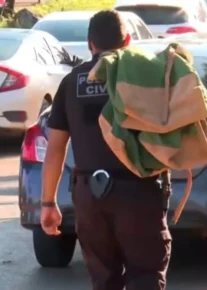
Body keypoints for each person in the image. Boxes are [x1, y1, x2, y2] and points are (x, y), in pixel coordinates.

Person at [39, 10, 171, 290]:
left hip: (90, 197)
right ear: (127, 41)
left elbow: (55, 149)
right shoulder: (144, 78)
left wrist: (48, 203)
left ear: (90, 44)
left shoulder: (71, 83)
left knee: (104, 280)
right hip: (138, 192)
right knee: (146, 275)